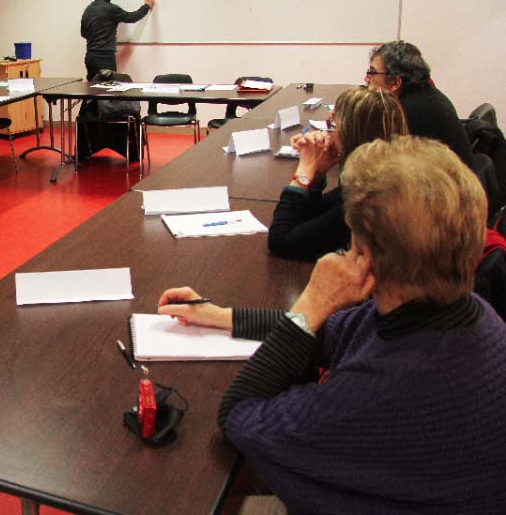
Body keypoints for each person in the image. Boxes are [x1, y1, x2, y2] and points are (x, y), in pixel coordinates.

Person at [158, 136, 506, 513]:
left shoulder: (382, 390)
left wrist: (312, 301)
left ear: (365, 257)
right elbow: (328, 332)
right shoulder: (462, 311)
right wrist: (219, 315)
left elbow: (239, 415)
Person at [268, 86, 408, 260]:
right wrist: (317, 173)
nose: (329, 133)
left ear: (352, 135)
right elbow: (313, 218)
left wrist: (304, 170)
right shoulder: (382, 173)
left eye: (333, 125)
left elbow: (281, 241)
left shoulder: (367, 198)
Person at [365, 40, 472, 166]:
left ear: (395, 83)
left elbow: (380, 164)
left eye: (372, 72)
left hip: (442, 183)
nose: (366, 79)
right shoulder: (426, 95)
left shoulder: (410, 111)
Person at [80, 0, 154, 81]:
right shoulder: (111, 9)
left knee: (92, 91)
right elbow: (132, 17)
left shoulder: (88, 10)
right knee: (108, 90)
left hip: (90, 57)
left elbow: (83, 33)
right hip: (105, 58)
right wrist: (147, 6)